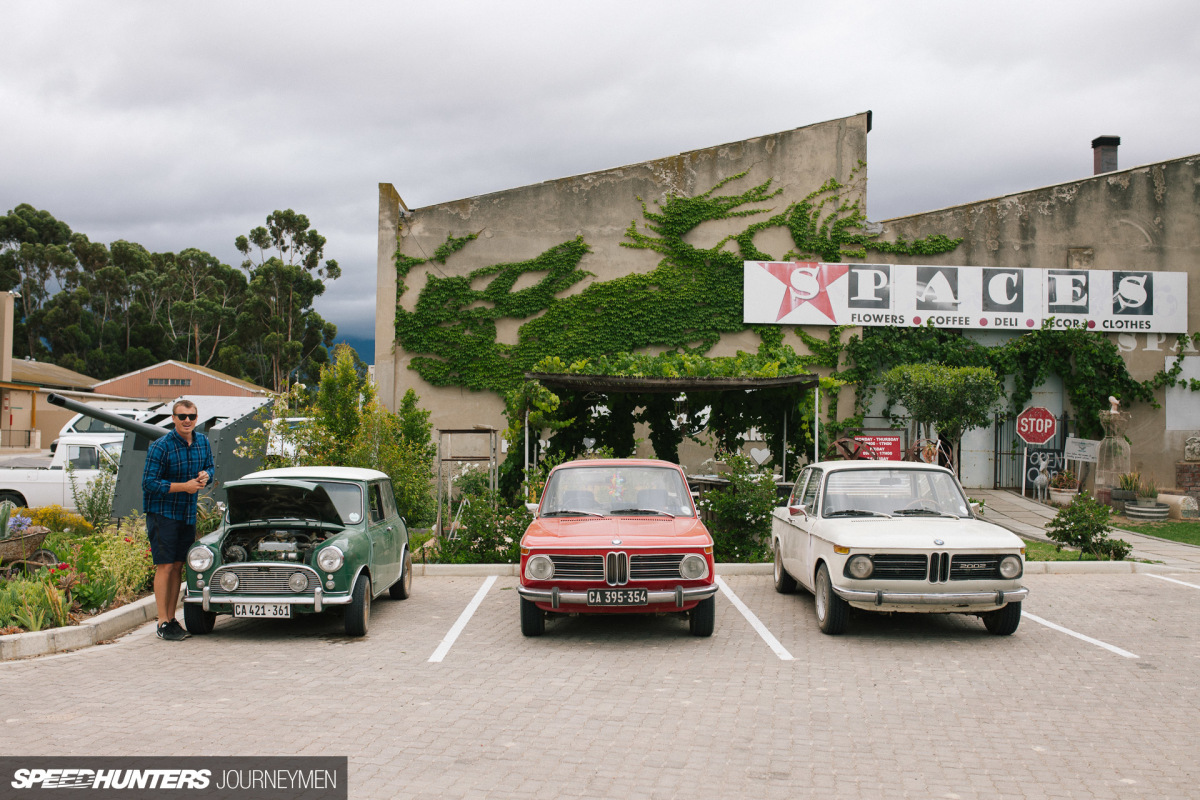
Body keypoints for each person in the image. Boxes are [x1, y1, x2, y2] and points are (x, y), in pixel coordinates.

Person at [142, 399, 215, 641]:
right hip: (162, 513)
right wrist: (183, 486)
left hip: (186, 513)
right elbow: (149, 484)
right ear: (173, 418)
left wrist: (206, 475)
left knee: (178, 566)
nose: (187, 421)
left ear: (196, 418)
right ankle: (162, 621)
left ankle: (173, 619)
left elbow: (211, 469)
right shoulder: (160, 446)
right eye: (182, 416)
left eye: (192, 416)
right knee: (165, 565)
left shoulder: (202, 442)